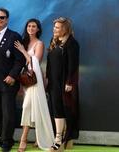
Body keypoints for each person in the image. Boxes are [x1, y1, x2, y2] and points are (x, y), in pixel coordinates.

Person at [14, 19, 54, 152]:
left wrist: (23, 51)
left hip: (35, 80)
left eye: (34, 26)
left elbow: (35, 62)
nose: (31, 28)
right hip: (25, 80)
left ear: (38, 29)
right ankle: (39, 137)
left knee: (27, 107)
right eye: (29, 26)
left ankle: (23, 140)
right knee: (35, 108)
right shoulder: (24, 42)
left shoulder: (39, 44)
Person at [0, 7, 25, 152]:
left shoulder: (14, 36)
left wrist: (12, 75)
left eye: (2, 17)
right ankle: (2, 137)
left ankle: (8, 141)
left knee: (8, 112)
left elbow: (19, 59)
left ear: (7, 19)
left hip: (8, 82)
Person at [46, 17, 79, 151]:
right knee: (56, 109)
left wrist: (70, 82)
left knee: (65, 110)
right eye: (54, 27)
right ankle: (62, 139)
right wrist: (48, 79)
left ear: (65, 29)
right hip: (54, 83)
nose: (55, 29)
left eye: (58, 27)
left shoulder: (72, 43)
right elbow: (49, 63)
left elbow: (73, 65)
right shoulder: (54, 41)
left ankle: (60, 141)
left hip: (65, 83)